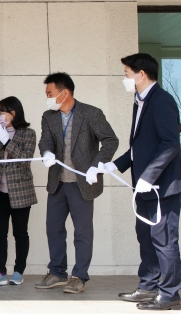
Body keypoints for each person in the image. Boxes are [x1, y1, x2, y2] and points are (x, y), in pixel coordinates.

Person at [103, 53, 181, 310]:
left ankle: (169, 294)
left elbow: (171, 143)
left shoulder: (162, 101)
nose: (125, 79)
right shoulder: (139, 101)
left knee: (164, 240)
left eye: (126, 74)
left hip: (163, 187)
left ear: (141, 74)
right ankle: (148, 286)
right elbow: (139, 146)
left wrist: (149, 175)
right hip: (145, 187)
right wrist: (116, 164)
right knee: (145, 236)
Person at [36, 72, 118, 294]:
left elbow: (110, 140)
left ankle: (79, 276)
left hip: (82, 184)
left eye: (50, 93)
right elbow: (45, 140)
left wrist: (97, 165)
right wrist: (46, 152)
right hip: (58, 182)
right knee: (53, 228)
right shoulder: (49, 116)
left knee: (82, 232)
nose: (48, 98)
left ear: (65, 93)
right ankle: (57, 272)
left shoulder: (91, 113)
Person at [0, 96, 37, 286]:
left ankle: (18, 271)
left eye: (2, 112)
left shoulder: (28, 133)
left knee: (20, 233)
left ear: (13, 113)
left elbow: (25, 159)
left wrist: (7, 142)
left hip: (21, 191)